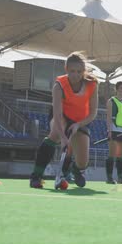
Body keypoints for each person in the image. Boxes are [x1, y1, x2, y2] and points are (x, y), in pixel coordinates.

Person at [29, 52, 99, 189]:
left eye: (79, 71)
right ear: (66, 69)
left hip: (82, 120)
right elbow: (57, 114)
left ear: (84, 71)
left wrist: (78, 125)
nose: (76, 75)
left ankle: (77, 170)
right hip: (62, 116)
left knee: (83, 161)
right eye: (72, 71)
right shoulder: (59, 86)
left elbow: (93, 113)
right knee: (54, 133)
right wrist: (63, 137)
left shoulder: (92, 85)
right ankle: (36, 176)